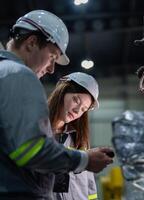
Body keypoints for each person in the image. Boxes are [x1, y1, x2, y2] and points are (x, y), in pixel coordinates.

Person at [0, 10, 113, 199]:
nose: (52, 68)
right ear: (32, 43)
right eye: (52, 57)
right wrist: (85, 160)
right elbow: (31, 150)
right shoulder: (19, 75)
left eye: (84, 108)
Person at [48, 72, 101, 200]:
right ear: (61, 92)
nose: (78, 111)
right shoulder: (36, 130)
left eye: (83, 109)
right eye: (76, 100)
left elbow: (90, 185)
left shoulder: (78, 139)